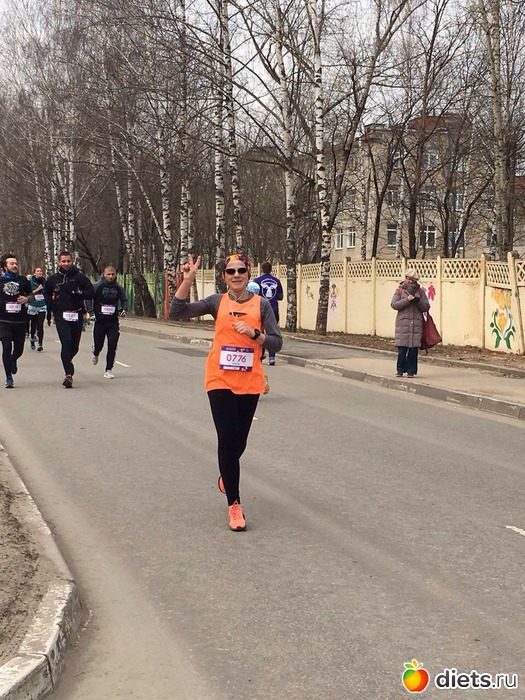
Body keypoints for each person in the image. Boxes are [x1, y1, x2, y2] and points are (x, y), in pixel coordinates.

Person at [170, 253, 282, 532]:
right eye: (230, 271)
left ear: (248, 273)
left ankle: (226, 473)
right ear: (224, 276)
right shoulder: (216, 302)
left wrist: (255, 334)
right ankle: (234, 504)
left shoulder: (262, 305)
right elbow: (177, 312)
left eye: (241, 270)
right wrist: (187, 280)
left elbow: (277, 343)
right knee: (227, 438)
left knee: (239, 443)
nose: (236, 275)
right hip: (219, 378)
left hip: (250, 380)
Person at [44, 251, 94, 388]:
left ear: (72, 262)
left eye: (68, 261)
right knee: (66, 342)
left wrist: (79, 293)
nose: (66, 264)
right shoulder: (53, 279)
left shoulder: (79, 277)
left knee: (74, 346)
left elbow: (90, 292)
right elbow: (46, 293)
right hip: (61, 315)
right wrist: (52, 306)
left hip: (76, 314)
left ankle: (68, 360)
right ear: (59, 262)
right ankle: (69, 374)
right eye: (63, 261)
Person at [0, 254, 34, 388]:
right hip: (4, 321)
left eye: (16, 263)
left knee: (19, 350)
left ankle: (13, 359)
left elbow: (32, 295)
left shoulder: (23, 280)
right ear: (4, 266)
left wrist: (27, 299)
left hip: (20, 321)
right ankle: (8, 377)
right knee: (6, 347)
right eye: (11, 263)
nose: (15, 265)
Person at [89, 265, 128, 379]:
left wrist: (124, 309)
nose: (110, 277)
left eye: (113, 274)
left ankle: (109, 369)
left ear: (115, 275)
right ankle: (95, 352)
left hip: (113, 321)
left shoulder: (118, 288)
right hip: (100, 321)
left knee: (112, 345)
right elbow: (88, 298)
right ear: (104, 274)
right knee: (99, 345)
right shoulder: (97, 286)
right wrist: (91, 312)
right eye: (108, 274)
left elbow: (124, 300)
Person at [391, 268, 430, 377]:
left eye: (412, 280)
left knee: (413, 350)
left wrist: (418, 301)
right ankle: (400, 370)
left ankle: (411, 371)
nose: (410, 281)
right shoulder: (400, 290)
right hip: (403, 324)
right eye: (408, 279)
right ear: (405, 278)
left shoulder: (420, 291)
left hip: (416, 324)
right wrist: (407, 300)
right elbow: (394, 304)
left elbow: (426, 307)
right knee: (402, 349)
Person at [253, 262, 283, 365]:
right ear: (271, 270)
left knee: (259, 333)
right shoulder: (277, 281)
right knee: (272, 334)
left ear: (261, 269)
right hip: (273, 309)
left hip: (259, 309)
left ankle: (260, 355)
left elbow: (252, 295)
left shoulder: (256, 281)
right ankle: (272, 357)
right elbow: (281, 297)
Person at [27, 266, 47, 351]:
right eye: (37, 271)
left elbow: (47, 292)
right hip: (33, 304)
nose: (39, 272)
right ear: (34, 273)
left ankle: (40, 344)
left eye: (40, 271)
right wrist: (38, 289)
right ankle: (32, 339)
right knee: (33, 324)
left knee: (40, 324)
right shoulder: (30, 282)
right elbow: (28, 293)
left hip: (42, 304)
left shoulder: (45, 281)